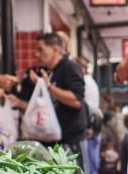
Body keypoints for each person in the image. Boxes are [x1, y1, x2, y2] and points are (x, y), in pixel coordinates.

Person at [13, 33, 88, 165]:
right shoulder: (51, 71)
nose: (36, 54)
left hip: (71, 143)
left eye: (40, 49)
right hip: (56, 144)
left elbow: (77, 101)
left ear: (55, 49)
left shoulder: (69, 68)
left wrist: (48, 87)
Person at [77, 57, 103, 174]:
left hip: (90, 128)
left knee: (89, 167)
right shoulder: (90, 81)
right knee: (92, 164)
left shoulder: (85, 82)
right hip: (93, 128)